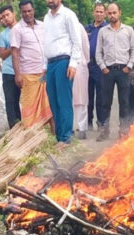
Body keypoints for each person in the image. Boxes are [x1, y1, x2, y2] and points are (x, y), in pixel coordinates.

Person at [43, 0, 82, 148]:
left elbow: (76, 41)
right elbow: (45, 43)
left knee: (63, 100)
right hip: (50, 63)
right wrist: (44, 66)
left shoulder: (68, 15)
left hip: (64, 62)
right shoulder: (46, 18)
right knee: (53, 100)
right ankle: (59, 137)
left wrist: (73, 64)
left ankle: (65, 137)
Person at [95, 2, 134, 141]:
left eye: (115, 12)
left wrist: (129, 66)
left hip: (123, 70)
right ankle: (104, 130)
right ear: (107, 14)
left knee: (124, 102)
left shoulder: (128, 30)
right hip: (108, 71)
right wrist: (103, 67)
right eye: (110, 13)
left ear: (120, 13)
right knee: (105, 102)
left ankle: (123, 131)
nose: (112, 15)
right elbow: (98, 52)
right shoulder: (103, 31)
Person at [11, 0, 53, 130]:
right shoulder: (17, 29)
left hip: (44, 72)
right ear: (21, 13)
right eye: (24, 12)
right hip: (28, 75)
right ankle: (30, 134)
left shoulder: (43, 25)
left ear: (33, 10)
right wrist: (17, 75)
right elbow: (15, 53)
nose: (27, 14)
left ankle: (55, 135)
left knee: (49, 104)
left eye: (29, 11)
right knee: (29, 107)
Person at [85, 3, 107, 131]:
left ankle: (101, 123)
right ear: (93, 12)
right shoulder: (87, 28)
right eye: (96, 11)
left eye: (101, 12)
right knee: (87, 96)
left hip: (100, 66)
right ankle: (88, 123)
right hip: (87, 65)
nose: (98, 14)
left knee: (100, 96)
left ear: (104, 14)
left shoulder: (107, 28)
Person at [0, 5, 19, 128]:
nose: (5, 18)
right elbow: (2, 55)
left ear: (14, 14)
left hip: (24, 71)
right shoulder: (3, 35)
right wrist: (13, 47)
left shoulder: (23, 29)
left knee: (23, 102)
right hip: (9, 72)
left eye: (7, 15)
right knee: (10, 102)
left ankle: (25, 127)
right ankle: (14, 129)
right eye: (3, 16)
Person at [73, 23, 90, 139]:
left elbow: (85, 47)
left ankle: (81, 128)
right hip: (63, 66)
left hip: (79, 64)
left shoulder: (78, 27)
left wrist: (84, 61)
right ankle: (71, 127)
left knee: (81, 98)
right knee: (67, 99)